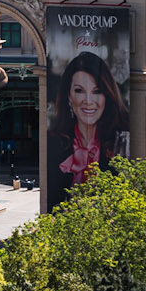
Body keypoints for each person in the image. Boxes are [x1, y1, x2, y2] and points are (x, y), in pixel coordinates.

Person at [54, 52, 130, 195]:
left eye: (97, 91)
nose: (88, 100)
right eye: (79, 91)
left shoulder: (121, 142)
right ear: (69, 95)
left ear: (107, 95)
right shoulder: (54, 144)